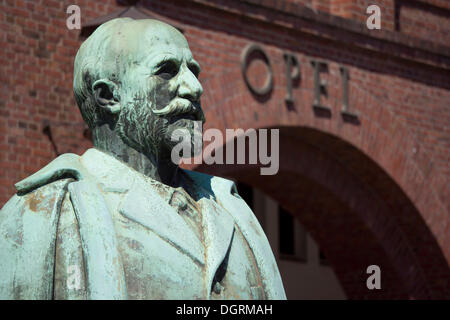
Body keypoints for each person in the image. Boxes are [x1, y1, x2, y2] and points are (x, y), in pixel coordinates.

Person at [0, 18, 286, 300]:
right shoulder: (43, 215)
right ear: (109, 96)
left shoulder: (234, 211)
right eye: (166, 71)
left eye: (193, 71)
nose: (194, 87)